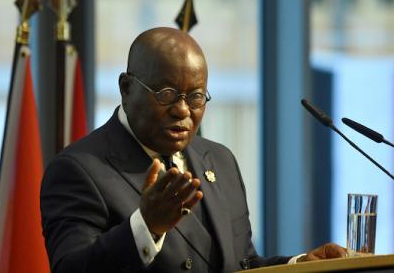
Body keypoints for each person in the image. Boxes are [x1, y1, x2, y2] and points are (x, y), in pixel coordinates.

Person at [40, 27, 346, 272]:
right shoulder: (78, 169)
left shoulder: (220, 160)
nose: (182, 111)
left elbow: (243, 264)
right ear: (126, 87)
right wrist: (146, 227)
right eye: (167, 94)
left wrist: (300, 265)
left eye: (196, 97)